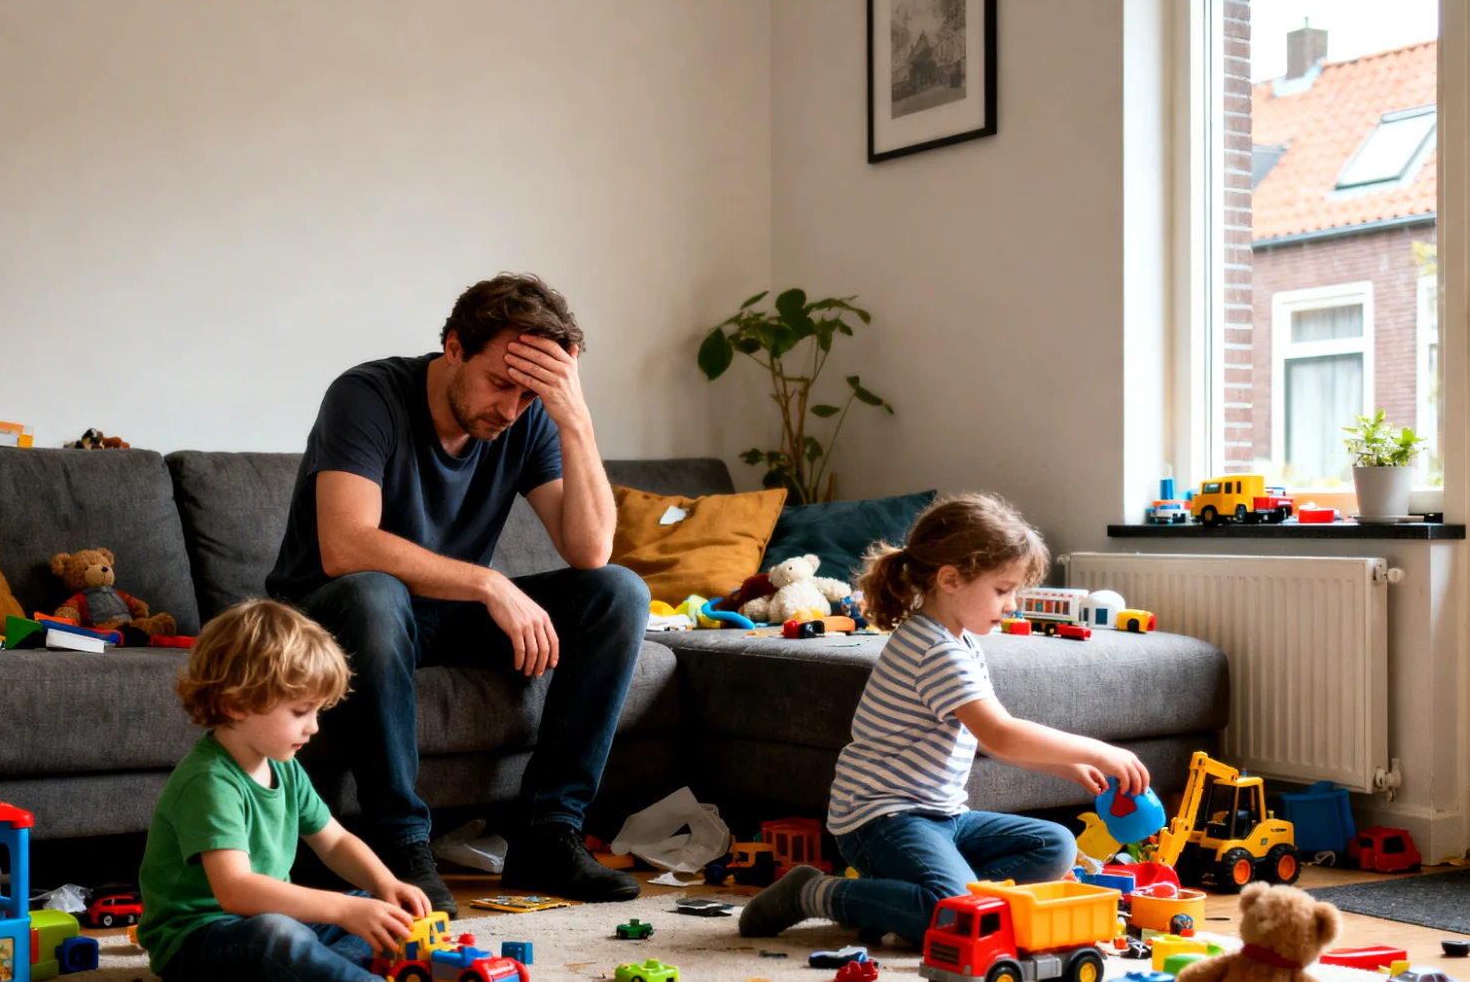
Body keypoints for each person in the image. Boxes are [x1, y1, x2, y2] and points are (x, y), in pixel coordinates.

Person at [265, 272, 649, 913]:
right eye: (501, 383)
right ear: (453, 348)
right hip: (330, 617)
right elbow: (346, 545)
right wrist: (488, 582)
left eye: (530, 394)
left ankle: (548, 832)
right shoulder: (368, 395)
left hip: (436, 618)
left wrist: (573, 420)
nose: (510, 409)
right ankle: (398, 842)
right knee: (374, 593)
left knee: (617, 593)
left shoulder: (526, 419)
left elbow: (590, 551)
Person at [738, 493, 1152, 944]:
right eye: (1002, 590)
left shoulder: (958, 642)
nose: (1012, 604)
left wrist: (1066, 766)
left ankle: (902, 905)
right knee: (955, 916)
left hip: (942, 815)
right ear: (950, 579)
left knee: (1055, 846)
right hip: (881, 820)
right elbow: (1003, 734)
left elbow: (990, 739)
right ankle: (816, 893)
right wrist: (1100, 751)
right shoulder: (935, 651)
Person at [138, 600, 431, 982]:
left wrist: (385, 883)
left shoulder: (284, 768)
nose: (313, 728)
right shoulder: (209, 780)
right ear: (237, 703)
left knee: (376, 911)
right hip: (200, 939)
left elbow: (335, 842)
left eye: (316, 712)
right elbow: (237, 891)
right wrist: (341, 911)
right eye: (299, 712)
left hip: (268, 922)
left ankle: (319, 970)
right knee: (281, 935)